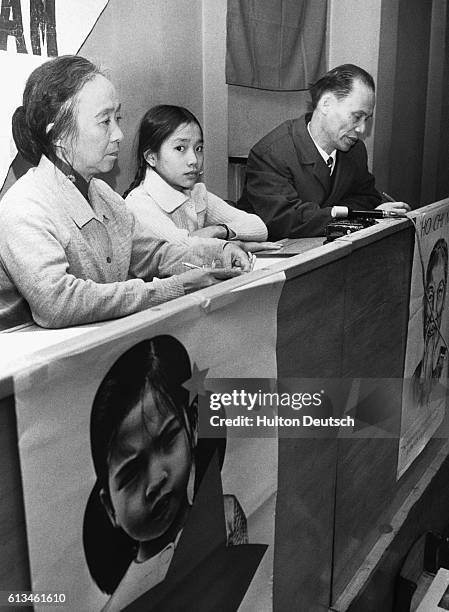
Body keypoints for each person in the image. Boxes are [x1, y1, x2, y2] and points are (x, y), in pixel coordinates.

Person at [0, 56, 250, 330]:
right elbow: (58, 303)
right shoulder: (24, 205)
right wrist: (176, 287)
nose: (119, 134)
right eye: (104, 121)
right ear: (58, 135)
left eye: (117, 118)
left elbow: (153, 255)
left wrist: (217, 253)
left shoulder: (102, 193)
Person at [83, 336, 248, 611]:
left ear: (193, 426)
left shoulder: (225, 516)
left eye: (167, 440)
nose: (156, 479)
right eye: (132, 472)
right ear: (110, 507)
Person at [238, 64, 410, 239]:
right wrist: (363, 217)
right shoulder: (271, 153)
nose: (362, 129)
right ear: (326, 104)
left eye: (367, 119)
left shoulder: (355, 150)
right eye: (357, 117)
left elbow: (367, 197)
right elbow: (286, 221)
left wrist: (342, 215)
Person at [124, 105, 277, 252]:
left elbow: (259, 227)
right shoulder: (139, 204)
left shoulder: (196, 192)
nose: (194, 160)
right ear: (151, 157)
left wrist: (219, 230)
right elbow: (184, 249)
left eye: (198, 149)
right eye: (180, 148)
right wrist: (239, 246)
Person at [412, 238, 448, 407]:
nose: (434, 311)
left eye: (440, 292)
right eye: (430, 294)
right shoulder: (414, 377)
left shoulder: (440, 360)